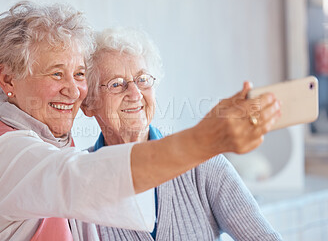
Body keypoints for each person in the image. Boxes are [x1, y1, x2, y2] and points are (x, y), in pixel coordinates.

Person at [0, 1, 281, 241]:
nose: (72, 89)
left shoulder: (205, 168)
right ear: (8, 81)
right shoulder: (13, 155)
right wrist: (207, 138)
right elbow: (81, 178)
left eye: (78, 74)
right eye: (55, 73)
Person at [81, 27, 283, 240]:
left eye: (142, 80)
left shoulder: (204, 164)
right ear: (89, 103)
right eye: (116, 84)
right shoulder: (78, 180)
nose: (135, 93)